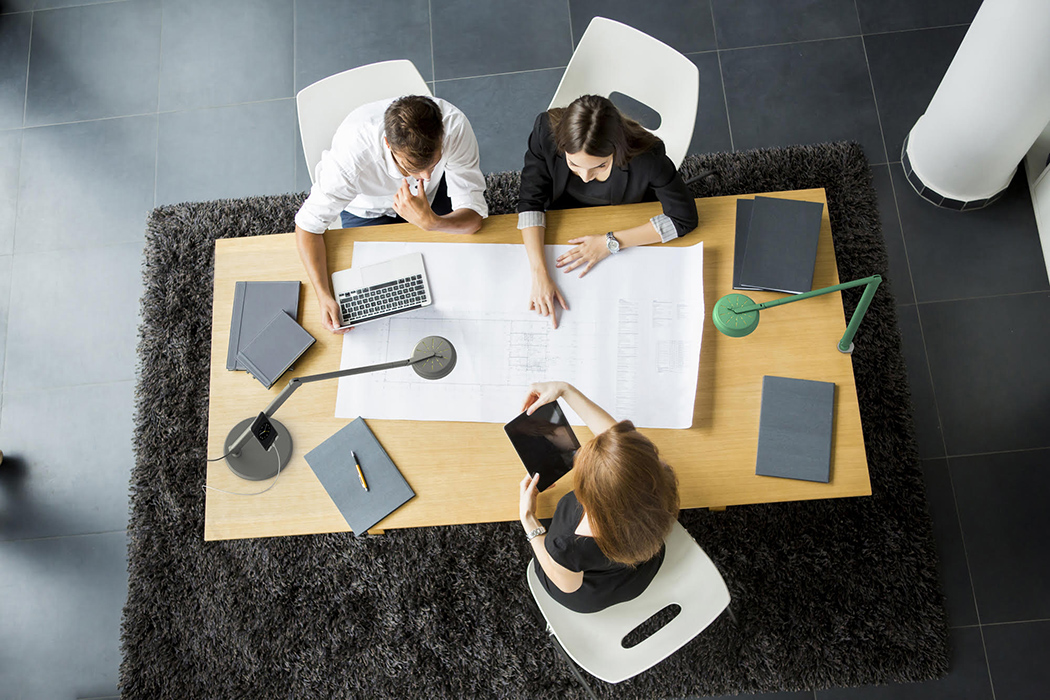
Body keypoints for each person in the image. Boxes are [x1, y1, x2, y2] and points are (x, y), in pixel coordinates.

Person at [294, 95, 489, 334]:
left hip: (433, 200)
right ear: (388, 144)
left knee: (456, 272)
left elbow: (474, 217)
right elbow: (307, 227)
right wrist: (323, 296)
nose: (425, 177)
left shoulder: (454, 127)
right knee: (379, 296)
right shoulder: (350, 159)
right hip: (368, 209)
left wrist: (433, 222)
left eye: (434, 163)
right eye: (410, 168)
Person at [517, 95, 699, 328]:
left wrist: (610, 242)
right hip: (565, 220)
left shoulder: (647, 156)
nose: (585, 177)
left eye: (600, 166)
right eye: (574, 165)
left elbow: (684, 218)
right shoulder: (545, 131)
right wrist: (539, 273)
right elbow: (530, 202)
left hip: (625, 217)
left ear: (617, 149)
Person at [517, 381, 680, 613]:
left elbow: (565, 584)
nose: (579, 452)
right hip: (640, 568)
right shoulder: (658, 481)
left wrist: (529, 520)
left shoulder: (567, 541)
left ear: (589, 495)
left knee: (546, 562)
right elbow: (619, 443)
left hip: (593, 592)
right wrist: (565, 390)